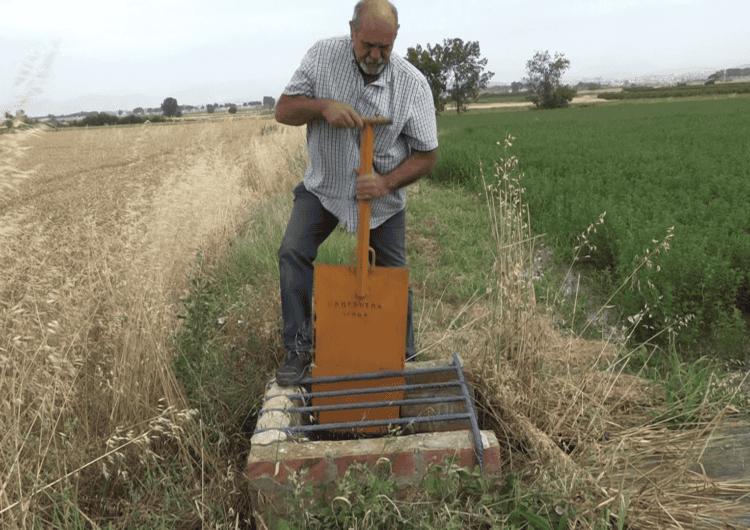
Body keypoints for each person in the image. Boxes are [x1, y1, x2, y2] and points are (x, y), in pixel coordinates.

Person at [274, 0, 439, 386]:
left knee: (393, 277)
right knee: (292, 251)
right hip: (326, 186)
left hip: (380, 200)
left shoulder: (412, 84)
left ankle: (404, 361)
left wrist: (385, 183)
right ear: (352, 31)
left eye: (385, 47)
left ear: (396, 38)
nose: (375, 55)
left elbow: (427, 156)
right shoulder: (321, 57)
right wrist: (321, 107)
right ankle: (299, 349)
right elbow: (283, 110)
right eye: (367, 45)